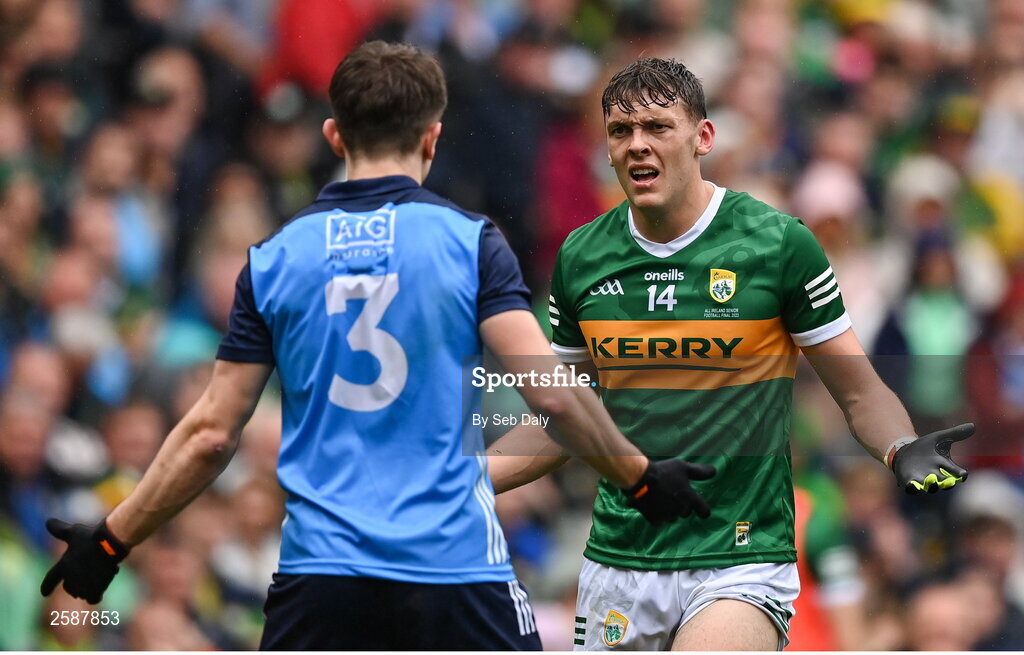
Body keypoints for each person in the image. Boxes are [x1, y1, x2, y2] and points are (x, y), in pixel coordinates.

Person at [39, 43, 715, 650]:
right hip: (453, 569)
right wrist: (641, 477)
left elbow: (212, 434)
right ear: (432, 138)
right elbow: (547, 391)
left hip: (322, 577)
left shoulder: (275, 258)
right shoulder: (469, 242)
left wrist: (109, 539)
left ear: (334, 135)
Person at [487, 57, 974, 651]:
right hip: (620, 558)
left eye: (658, 127)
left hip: (740, 560)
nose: (638, 145)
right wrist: (461, 481)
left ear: (703, 137)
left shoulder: (778, 244)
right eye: (621, 132)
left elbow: (857, 389)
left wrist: (898, 446)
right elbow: (562, 419)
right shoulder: (581, 257)